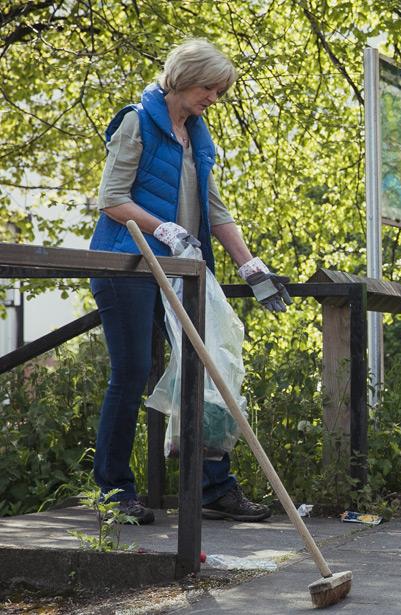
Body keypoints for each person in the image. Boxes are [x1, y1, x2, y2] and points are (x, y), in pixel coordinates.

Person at [90, 39, 290, 524]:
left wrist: (248, 264)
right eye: (209, 88)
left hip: (183, 271)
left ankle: (211, 488)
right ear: (183, 78)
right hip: (127, 267)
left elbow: (214, 209)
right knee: (132, 372)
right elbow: (111, 198)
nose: (213, 99)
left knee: (206, 373)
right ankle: (114, 493)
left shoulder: (197, 136)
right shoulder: (137, 121)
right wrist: (162, 228)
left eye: (219, 92)